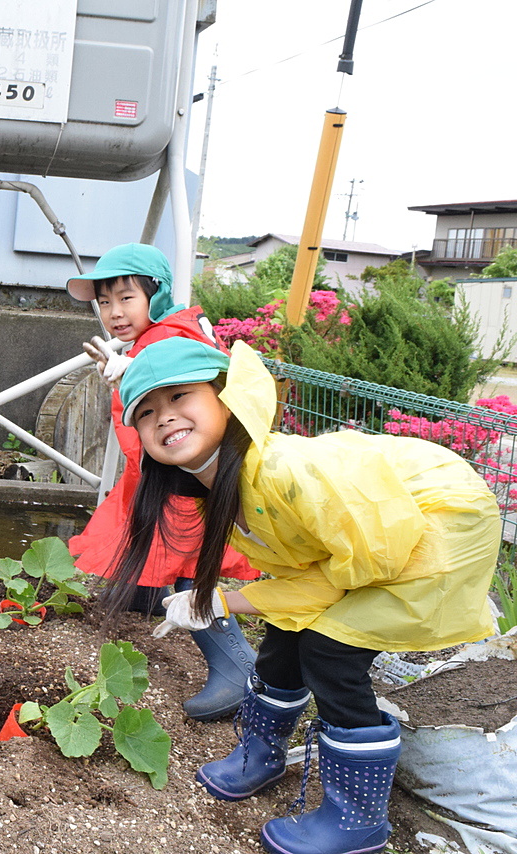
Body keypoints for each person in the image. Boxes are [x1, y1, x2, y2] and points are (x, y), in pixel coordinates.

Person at [112, 336, 499, 854]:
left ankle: (358, 820)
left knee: (330, 650)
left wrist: (223, 601)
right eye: (147, 411)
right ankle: (261, 753)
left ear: (226, 399)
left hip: (436, 525)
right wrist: (226, 599)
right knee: (288, 630)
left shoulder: (278, 471)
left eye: (181, 397)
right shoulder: (220, 488)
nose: (165, 416)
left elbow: (351, 573)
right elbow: (315, 574)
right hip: (376, 542)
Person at [65, 242, 259, 720]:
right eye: (104, 302)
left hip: (188, 485)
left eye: (126, 298)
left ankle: (238, 668)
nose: (114, 312)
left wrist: (138, 374)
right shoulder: (167, 332)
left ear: (157, 293)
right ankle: (150, 596)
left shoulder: (170, 338)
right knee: (158, 546)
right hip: (177, 479)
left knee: (192, 558)